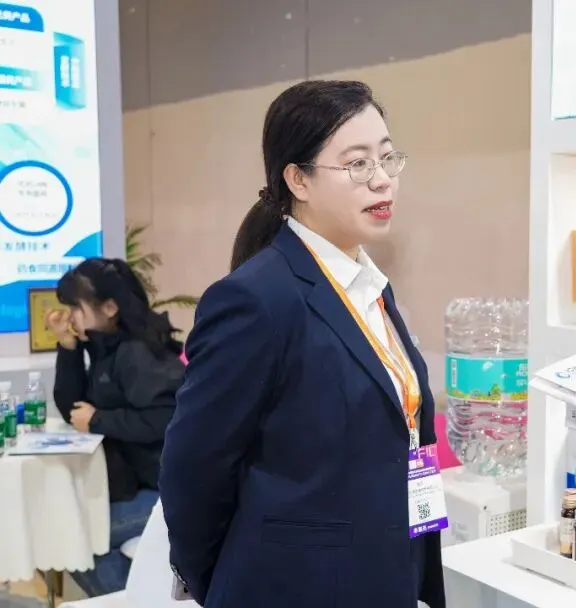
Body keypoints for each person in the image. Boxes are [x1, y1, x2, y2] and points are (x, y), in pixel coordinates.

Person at [159, 80, 445, 608]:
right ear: (298, 179)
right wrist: (218, 582)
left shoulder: (370, 286)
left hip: (383, 576)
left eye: (387, 158)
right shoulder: (256, 299)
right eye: (357, 164)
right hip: (291, 587)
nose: (382, 179)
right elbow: (193, 469)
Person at [45, 257, 184, 597]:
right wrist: (68, 347)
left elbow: (167, 417)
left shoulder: (137, 353)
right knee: (72, 539)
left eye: (75, 308)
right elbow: (74, 410)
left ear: (109, 308)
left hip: (167, 493)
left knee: (75, 540)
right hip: (135, 485)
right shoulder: (105, 347)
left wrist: (99, 420)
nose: (70, 317)